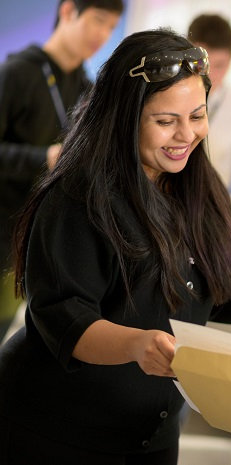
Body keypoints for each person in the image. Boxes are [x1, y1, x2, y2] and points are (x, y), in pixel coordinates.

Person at [0, 29, 231, 465]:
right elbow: (66, 318)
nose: (186, 135)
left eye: (197, 115)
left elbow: (219, 287)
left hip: (148, 435)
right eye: (165, 121)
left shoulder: (198, 188)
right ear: (125, 116)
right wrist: (137, 344)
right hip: (52, 429)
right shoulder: (77, 198)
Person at [0, 0, 123, 342]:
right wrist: (45, 157)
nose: (103, 35)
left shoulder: (86, 88)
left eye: (111, 27)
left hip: (35, 239)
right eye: (98, 21)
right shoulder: (18, 72)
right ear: (68, 11)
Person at [188, 13, 231, 254]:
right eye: (203, 65)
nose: (209, 76)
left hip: (218, 221)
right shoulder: (163, 99)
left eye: (220, 66)